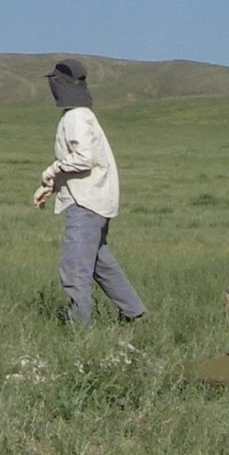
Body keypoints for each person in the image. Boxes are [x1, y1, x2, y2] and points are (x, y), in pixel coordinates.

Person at [32, 58, 146, 325]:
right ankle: (134, 313)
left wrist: (51, 171)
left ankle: (80, 330)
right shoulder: (80, 115)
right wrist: (50, 186)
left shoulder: (76, 117)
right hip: (93, 198)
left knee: (74, 269)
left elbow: (84, 158)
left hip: (86, 203)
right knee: (99, 263)